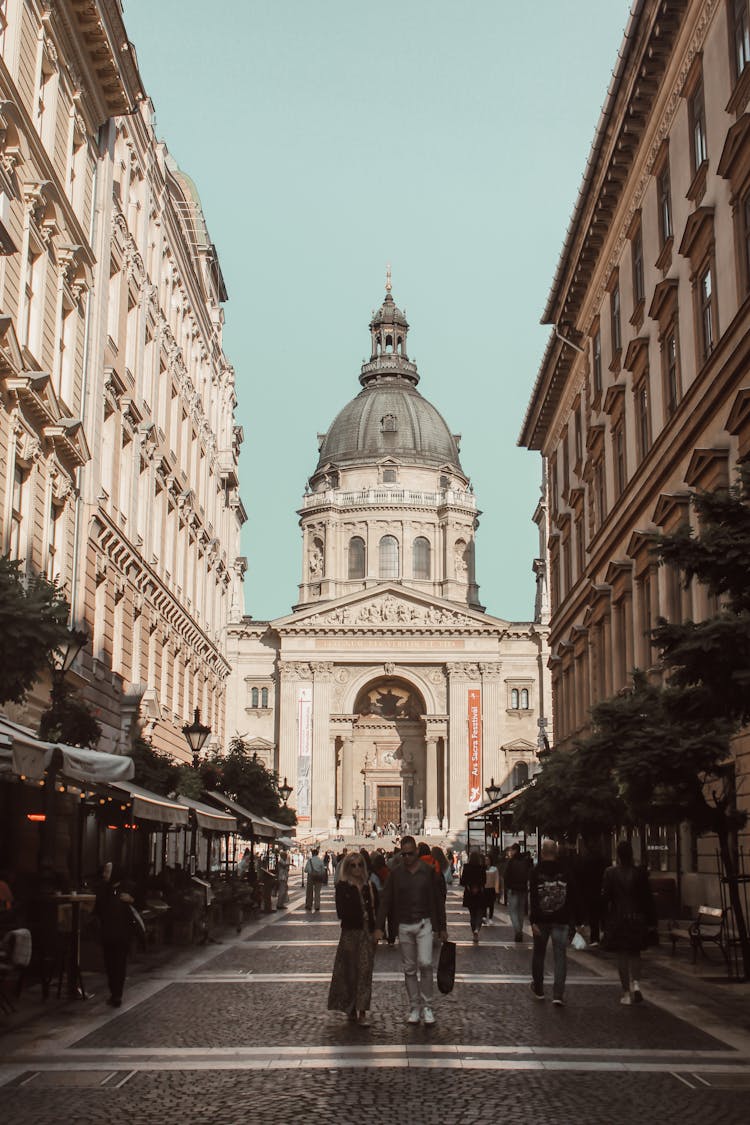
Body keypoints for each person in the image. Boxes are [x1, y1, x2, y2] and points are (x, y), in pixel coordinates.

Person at [374, 835, 447, 1025]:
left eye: (410, 854)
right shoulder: (396, 874)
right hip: (404, 925)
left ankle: (428, 1006)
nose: (407, 857)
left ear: (416, 852)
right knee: (409, 969)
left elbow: (438, 900)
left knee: (426, 963)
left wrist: (442, 927)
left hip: (424, 923)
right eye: (403, 854)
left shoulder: (428, 871)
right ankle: (415, 1007)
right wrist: (379, 927)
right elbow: (386, 901)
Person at [601, 839, 657, 1005]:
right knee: (635, 953)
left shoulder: (610, 873)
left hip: (619, 918)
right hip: (637, 918)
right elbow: (647, 899)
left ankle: (626, 992)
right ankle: (637, 984)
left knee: (622, 955)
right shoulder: (639, 873)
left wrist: (604, 921)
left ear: (618, 855)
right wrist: (651, 921)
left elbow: (605, 898)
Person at [529, 840, 582, 1006]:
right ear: (555, 853)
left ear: (542, 853)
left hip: (541, 920)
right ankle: (558, 994)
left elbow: (533, 898)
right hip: (561, 919)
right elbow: (573, 896)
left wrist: (533, 921)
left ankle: (538, 988)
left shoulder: (536, 872)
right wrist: (575, 920)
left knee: (539, 954)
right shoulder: (565, 871)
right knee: (560, 956)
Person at [327, 852, 378, 1026]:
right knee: (349, 971)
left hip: (366, 933)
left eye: (359, 865)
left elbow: (375, 909)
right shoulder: (342, 887)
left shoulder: (369, 886)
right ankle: (350, 1008)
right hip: (350, 933)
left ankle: (362, 1011)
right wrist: (358, 914)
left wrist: (377, 930)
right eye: (353, 865)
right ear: (347, 868)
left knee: (365, 972)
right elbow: (341, 912)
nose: (357, 869)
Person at [95, 863, 140, 1008]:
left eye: (108, 871)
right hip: (108, 933)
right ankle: (113, 992)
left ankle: (117, 995)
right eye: (105, 871)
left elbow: (140, 906)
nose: (105, 874)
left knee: (119, 964)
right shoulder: (103, 889)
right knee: (109, 964)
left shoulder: (129, 887)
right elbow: (98, 910)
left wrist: (132, 900)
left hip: (122, 934)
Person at [579, 839, 608, 946]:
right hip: (601, 890)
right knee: (603, 914)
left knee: (593, 916)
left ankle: (594, 937)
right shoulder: (603, 859)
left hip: (589, 891)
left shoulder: (585, 860)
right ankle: (605, 935)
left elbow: (582, 877)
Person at [504, 842, 531, 942]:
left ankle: (518, 930)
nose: (510, 852)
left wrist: (508, 887)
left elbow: (506, 876)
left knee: (513, 911)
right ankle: (519, 930)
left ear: (515, 850)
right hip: (523, 889)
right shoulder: (525, 861)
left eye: (511, 850)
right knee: (520, 911)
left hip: (513, 889)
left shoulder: (511, 862)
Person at [460, 850, 487, 943]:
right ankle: (477, 929)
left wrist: (470, 886)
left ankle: (473, 931)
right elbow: (484, 881)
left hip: (469, 893)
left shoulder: (466, 868)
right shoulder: (482, 868)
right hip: (480, 893)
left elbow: (462, 881)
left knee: (472, 914)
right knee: (479, 913)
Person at [484, 853, 500, 925]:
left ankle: (490, 918)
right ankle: (484, 916)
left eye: (488, 859)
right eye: (485, 859)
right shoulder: (482, 868)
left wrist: (497, 890)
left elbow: (497, 879)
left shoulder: (494, 869)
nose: (486, 861)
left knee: (491, 904)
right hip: (484, 888)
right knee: (483, 903)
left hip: (491, 889)